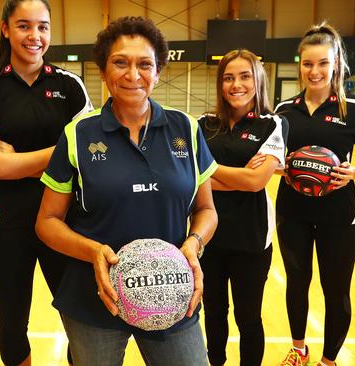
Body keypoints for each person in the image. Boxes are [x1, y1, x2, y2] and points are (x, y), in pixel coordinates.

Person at [35, 16, 218, 366]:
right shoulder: (78, 134)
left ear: (159, 71)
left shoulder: (186, 128)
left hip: (171, 290)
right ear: (104, 71)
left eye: (145, 64)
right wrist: (93, 252)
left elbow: (206, 210)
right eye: (120, 62)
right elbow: (47, 221)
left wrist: (194, 245)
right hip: (95, 298)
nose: (133, 75)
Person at [0, 0, 92, 365]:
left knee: (80, 317)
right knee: (12, 320)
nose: (34, 36)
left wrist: (18, 159)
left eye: (43, 27)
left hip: (66, 219)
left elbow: (92, 155)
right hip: (7, 223)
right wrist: (62, 153)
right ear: (5, 28)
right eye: (24, 26)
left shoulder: (71, 85)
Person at [274, 22, 355, 366]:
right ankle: (298, 349)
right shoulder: (283, 112)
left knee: (335, 289)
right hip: (292, 211)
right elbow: (273, 162)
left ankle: (328, 360)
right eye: (308, 64)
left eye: (323, 63)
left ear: (336, 63)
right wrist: (282, 167)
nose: (315, 71)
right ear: (300, 65)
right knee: (297, 283)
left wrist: (352, 172)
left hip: (340, 216)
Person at [198, 49, 288, 366]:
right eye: (228, 77)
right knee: (214, 313)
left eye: (245, 76)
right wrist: (240, 174)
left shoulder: (273, 124)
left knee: (248, 317)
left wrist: (207, 171)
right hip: (208, 235)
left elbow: (256, 183)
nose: (237, 84)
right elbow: (188, 179)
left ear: (258, 79)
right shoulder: (202, 124)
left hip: (252, 238)